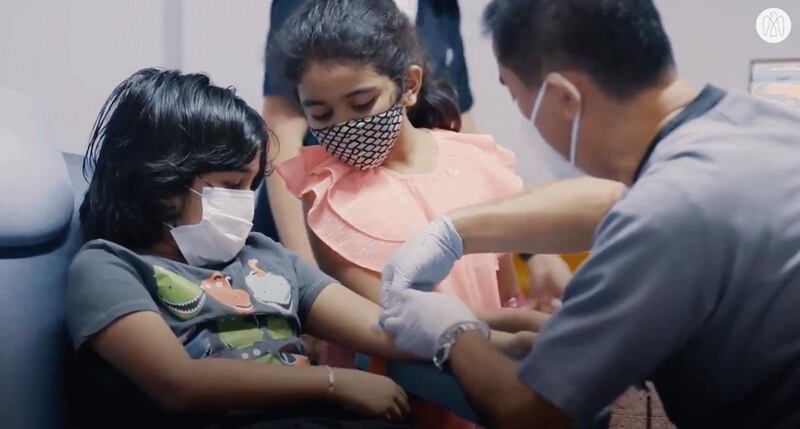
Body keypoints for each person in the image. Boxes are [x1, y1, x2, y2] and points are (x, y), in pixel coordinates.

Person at [379, 0, 800, 428]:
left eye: (515, 94)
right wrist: (454, 231)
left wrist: (453, 334)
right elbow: (610, 204)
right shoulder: (757, 122)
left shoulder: (662, 216)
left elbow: (528, 413)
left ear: (564, 97)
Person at [66, 68, 416, 429]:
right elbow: (179, 383)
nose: (245, 202)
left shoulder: (264, 255)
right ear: (162, 187)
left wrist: (463, 334)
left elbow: (383, 328)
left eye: (251, 186)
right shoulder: (108, 267)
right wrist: (333, 383)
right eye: (231, 184)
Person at [258, 0, 476, 266]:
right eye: (322, 114)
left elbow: (458, 116)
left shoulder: (440, 8)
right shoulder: (321, 202)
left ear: (410, 85)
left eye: (362, 104)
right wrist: (307, 273)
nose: (346, 125)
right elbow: (282, 126)